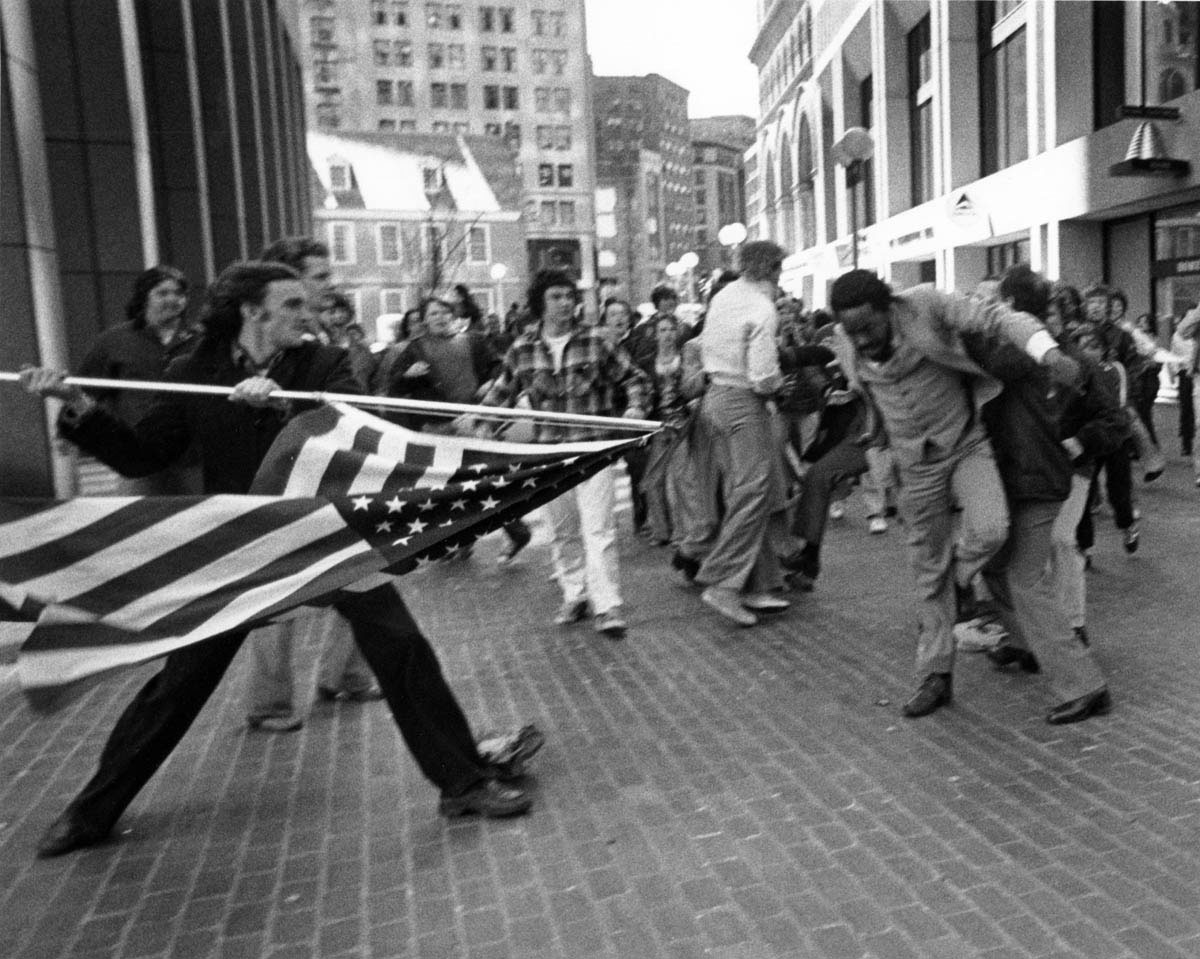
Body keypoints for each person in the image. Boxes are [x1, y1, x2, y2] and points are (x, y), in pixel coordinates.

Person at [19, 261, 540, 857]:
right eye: (292, 304)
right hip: (247, 545)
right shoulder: (196, 371)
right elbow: (143, 455)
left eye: (306, 303)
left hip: (326, 536)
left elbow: (357, 426)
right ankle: (92, 811)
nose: (307, 314)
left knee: (401, 648)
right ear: (252, 310)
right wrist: (77, 403)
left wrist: (278, 410)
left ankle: (463, 783)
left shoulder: (320, 365)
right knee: (179, 685)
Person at [829, 268, 1078, 718]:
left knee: (991, 529)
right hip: (914, 464)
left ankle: (961, 579)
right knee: (927, 571)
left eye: (869, 327)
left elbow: (999, 318)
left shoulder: (925, 304)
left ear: (890, 307)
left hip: (965, 443)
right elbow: (863, 389)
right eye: (853, 331)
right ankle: (935, 675)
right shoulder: (846, 340)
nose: (862, 339)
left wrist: (1047, 351)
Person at [963, 265, 1114, 724]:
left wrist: (963, 320)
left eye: (992, 301)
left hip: (1036, 480)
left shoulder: (1023, 350)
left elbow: (986, 362)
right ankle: (1028, 645)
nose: (982, 307)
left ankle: (1085, 686)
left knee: (1026, 579)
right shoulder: (1027, 347)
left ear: (1009, 306)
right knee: (996, 569)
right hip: (1025, 479)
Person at [245, 238, 381, 729]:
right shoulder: (261, 343)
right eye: (318, 277)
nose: (330, 285)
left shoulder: (332, 338)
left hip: (338, 475)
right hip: (279, 483)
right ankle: (271, 701)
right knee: (278, 590)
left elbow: (353, 402)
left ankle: (345, 675)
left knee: (361, 572)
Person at [480, 269, 651, 637]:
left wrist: (635, 406)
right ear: (540, 302)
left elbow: (634, 377)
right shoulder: (523, 348)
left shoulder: (597, 341)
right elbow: (501, 392)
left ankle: (608, 605)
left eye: (569, 296)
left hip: (592, 449)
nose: (565, 303)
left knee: (599, 529)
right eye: (556, 296)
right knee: (563, 531)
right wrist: (477, 419)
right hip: (549, 455)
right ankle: (575, 593)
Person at [386, 296, 532, 563]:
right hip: (438, 425)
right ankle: (462, 540)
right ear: (424, 320)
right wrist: (408, 375)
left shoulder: (472, 340)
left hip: (473, 419)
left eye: (443, 312)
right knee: (451, 487)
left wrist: (489, 383)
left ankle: (516, 530)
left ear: (452, 315)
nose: (439, 318)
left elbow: (498, 367)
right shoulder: (414, 349)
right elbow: (393, 387)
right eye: (433, 314)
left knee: (486, 479)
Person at [693, 240, 792, 627]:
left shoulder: (724, 296)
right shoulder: (763, 308)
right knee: (755, 490)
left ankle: (758, 581)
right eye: (779, 270)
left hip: (714, 398)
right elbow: (764, 375)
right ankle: (724, 583)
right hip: (741, 400)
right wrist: (779, 386)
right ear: (771, 270)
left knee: (745, 490)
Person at [76, 265, 202, 495]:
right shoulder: (113, 341)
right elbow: (86, 389)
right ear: (144, 297)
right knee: (136, 522)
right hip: (138, 453)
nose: (172, 299)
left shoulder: (202, 340)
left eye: (179, 294)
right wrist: (65, 434)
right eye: (162, 293)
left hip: (192, 457)